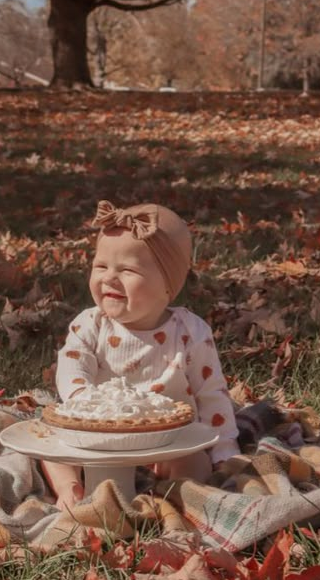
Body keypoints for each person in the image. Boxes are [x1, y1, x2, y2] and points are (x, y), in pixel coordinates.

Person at [41, 200, 240, 511]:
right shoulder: (89, 325)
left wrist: (225, 449)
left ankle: (174, 500)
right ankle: (71, 488)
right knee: (49, 445)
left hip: (167, 442)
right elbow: (72, 366)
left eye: (128, 270)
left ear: (168, 286)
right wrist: (84, 400)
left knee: (195, 462)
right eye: (101, 266)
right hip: (95, 437)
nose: (109, 278)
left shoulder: (190, 333)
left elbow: (211, 394)